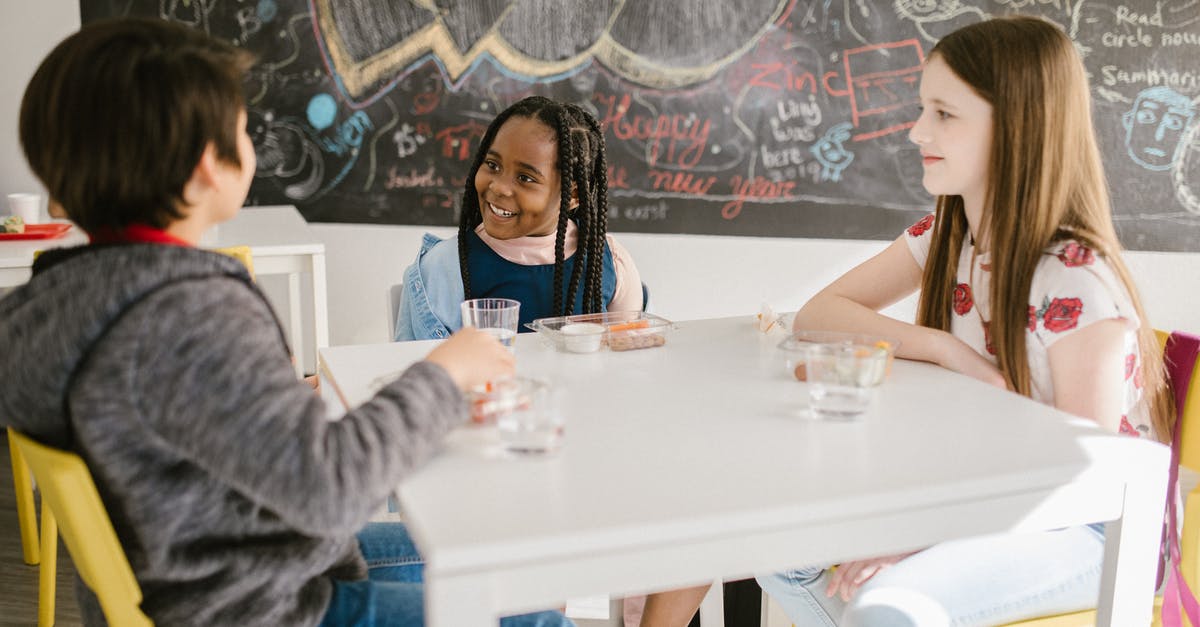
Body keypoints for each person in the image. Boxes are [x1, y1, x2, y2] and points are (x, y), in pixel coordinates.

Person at [0, 18, 572, 627]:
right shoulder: (188, 314)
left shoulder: (64, 302)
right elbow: (329, 489)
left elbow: (180, 424)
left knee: (497, 556)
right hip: (262, 604)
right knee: (538, 618)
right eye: (242, 130)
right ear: (205, 166)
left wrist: (294, 401)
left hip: (210, 571)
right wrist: (440, 374)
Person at [752, 15, 1174, 626]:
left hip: (1097, 527)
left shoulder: (1076, 280)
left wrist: (922, 535)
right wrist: (948, 352)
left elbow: (1082, 477)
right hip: (985, 491)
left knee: (886, 601)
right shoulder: (947, 236)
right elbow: (818, 316)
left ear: (1017, 128)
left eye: (945, 114)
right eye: (924, 109)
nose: (917, 130)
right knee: (780, 551)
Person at [394, 95, 643, 341]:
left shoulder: (609, 263)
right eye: (492, 165)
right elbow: (420, 374)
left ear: (573, 195)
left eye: (525, 178)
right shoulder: (445, 268)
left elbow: (628, 365)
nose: (499, 187)